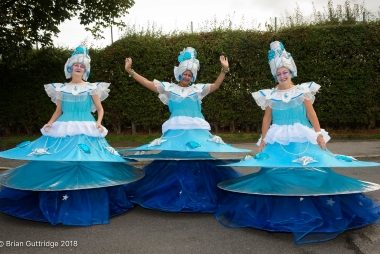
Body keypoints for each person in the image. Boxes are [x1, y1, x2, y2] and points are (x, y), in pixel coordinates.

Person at [215, 41, 380, 244]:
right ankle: (281, 208)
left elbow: (311, 114)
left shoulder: (303, 91)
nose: (282, 76)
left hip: (302, 135)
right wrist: (263, 138)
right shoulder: (270, 95)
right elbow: (267, 118)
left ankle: (314, 207)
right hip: (277, 137)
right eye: (279, 74)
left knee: (311, 169)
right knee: (274, 171)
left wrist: (318, 133)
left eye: (285, 72)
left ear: (291, 71)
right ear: (275, 75)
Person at [0, 45, 143, 225]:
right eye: (76, 64)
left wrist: (98, 122)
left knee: (87, 160)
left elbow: (100, 109)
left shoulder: (92, 88)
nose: (78, 67)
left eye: (82, 66)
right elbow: (59, 110)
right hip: (64, 126)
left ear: (86, 70)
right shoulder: (60, 89)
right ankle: (60, 197)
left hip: (86, 125)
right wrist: (50, 122)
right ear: (70, 67)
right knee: (61, 158)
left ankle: (87, 198)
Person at [123, 47, 250, 212]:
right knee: (174, 162)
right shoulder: (169, 89)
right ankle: (175, 193)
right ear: (179, 73)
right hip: (175, 132)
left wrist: (224, 71)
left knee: (200, 162)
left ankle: (199, 192)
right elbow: (148, 84)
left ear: (193, 77)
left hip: (197, 133)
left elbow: (216, 86)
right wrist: (131, 71)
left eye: (190, 75)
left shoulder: (197, 91)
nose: (187, 76)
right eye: (185, 73)